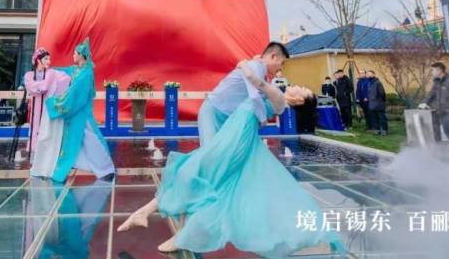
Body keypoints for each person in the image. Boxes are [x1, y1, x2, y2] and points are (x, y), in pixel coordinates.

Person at [117, 57, 346, 257]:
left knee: (199, 175)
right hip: (232, 132)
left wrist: (246, 65)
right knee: (193, 172)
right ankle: (148, 215)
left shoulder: (279, 100)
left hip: (238, 138)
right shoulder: (275, 93)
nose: (298, 86)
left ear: (298, 101)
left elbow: (256, 83)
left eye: (302, 90)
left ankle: (174, 231)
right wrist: (257, 64)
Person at [45, 39, 115, 182]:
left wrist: (55, 102)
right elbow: (63, 71)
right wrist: (48, 70)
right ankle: (100, 169)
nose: (73, 56)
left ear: (81, 56)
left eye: (75, 53)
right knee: (77, 141)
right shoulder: (77, 70)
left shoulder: (86, 74)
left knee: (91, 140)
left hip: (82, 114)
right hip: (77, 114)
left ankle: (106, 168)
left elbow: (75, 95)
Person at [198, 42, 292, 147]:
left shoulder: (260, 70)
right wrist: (263, 119)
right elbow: (254, 96)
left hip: (226, 115)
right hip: (213, 111)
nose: (281, 68)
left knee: (223, 152)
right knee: (210, 152)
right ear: (273, 56)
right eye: (282, 63)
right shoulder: (254, 66)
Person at [23, 48, 72, 178]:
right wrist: (43, 86)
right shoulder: (29, 75)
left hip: (47, 108)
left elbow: (66, 79)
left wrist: (44, 87)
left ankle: (48, 161)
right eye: (46, 59)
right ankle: (34, 159)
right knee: (35, 130)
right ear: (38, 60)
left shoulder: (50, 73)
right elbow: (33, 88)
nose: (49, 61)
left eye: (49, 59)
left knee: (47, 132)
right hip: (35, 108)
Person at [419, 62, 449, 153]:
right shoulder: (437, 82)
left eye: (433, 70)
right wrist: (423, 103)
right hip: (443, 114)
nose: (432, 72)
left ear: (439, 70)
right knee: (448, 134)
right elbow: (431, 94)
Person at [366, 70, 388, 136]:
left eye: (370, 74)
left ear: (374, 74)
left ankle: (384, 130)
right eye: (368, 74)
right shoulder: (369, 83)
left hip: (379, 103)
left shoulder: (378, 83)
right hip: (372, 104)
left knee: (382, 118)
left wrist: (381, 101)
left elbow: (382, 93)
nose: (368, 75)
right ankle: (377, 130)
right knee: (374, 118)